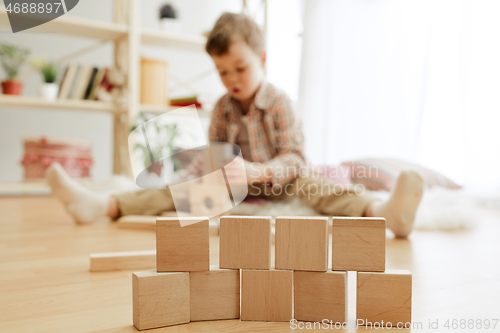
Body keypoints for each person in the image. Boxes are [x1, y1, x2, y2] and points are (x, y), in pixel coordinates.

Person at [47, 13, 424, 238]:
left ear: (262, 58)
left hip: (283, 180)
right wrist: (208, 173)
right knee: (177, 193)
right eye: (223, 71)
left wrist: (259, 171)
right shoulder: (224, 108)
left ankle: (384, 212)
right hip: (234, 187)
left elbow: (294, 157)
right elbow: (213, 153)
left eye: (240, 68)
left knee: (322, 187)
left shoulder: (279, 102)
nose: (232, 79)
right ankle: (103, 206)